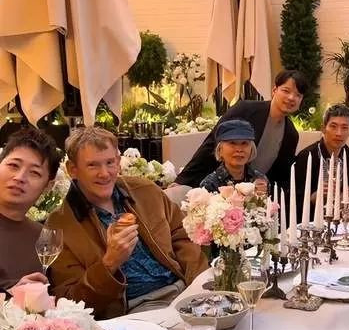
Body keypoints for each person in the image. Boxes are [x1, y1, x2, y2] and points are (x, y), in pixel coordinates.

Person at [48, 127, 208, 319]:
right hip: (134, 311)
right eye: (92, 165)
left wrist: (199, 289)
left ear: (118, 161)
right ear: (72, 170)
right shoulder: (60, 224)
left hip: (183, 291)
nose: (104, 173)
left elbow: (183, 237)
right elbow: (71, 302)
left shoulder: (145, 190)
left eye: (110, 162)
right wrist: (109, 263)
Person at [175, 70, 307, 191]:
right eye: (286, 91)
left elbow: (281, 174)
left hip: (254, 194)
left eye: (298, 95)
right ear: (274, 90)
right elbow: (210, 144)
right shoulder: (245, 110)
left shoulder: (291, 134)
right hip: (218, 188)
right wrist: (183, 180)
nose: (291, 98)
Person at [0, 127, 61, 293]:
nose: (20, 177)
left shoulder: (43, 239)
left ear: (48, 186)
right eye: (13, 165)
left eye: (34, 172)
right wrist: (10, 294)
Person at [294, 104, 349, 220]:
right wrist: (314, 197)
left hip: (342, 220)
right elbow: (293, 199)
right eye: (333, 126)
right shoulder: (307, 157)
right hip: (311, 221)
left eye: (344, 127)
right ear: (323, 128)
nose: (339, 133)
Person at [200, 119, 269, 194]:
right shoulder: (210, 184)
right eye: (232, 143)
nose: (239, 150)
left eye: (244, 143)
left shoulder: (260, 179)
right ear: (220, 149)